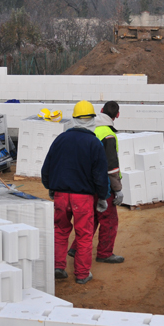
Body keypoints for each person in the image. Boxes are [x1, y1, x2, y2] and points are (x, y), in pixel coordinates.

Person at [41, 100, 109, 285]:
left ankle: (58, 266)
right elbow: (100, 175)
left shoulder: (60, 139)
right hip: (83, 198)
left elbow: (46, 168)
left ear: (74, 119)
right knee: (84, 235)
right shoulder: (94, 143)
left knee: (60, 230)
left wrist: (50, 188)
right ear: (92, 120)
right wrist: (102, 197)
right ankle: (81, 274)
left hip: (61, 195)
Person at [67, 100, 124, 264]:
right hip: (103, 184)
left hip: (85, 182)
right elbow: (111, 166)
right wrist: (117, 189)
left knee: (92, 217)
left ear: (100, 110)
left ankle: (76, 247)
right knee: (109, 219)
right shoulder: (108, 134)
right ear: (117, 115)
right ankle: (105, 253)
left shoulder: (90, 128)